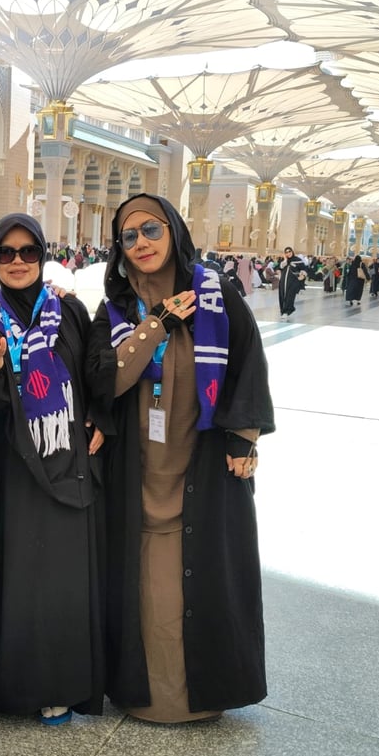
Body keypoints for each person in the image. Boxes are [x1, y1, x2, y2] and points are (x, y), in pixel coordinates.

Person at [86, 193, 275, 725]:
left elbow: (248, 363)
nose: (141, 243)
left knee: (203, 580)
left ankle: (204, 693)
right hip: (138, 474)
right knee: (149, 590)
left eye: (151, 230)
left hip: (203, 468)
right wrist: (157, 324)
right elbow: (105, 380)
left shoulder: (216, 295)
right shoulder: (116, 310)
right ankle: (146, 695)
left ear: (173, 231)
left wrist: (244, 437)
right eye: (128, 236)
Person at [0, 213, 105, 726]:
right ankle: (25, 682)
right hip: (18, 473)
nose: (18, 262)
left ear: (42, 256)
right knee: (24, 580)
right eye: (6, 253)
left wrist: (100, 417)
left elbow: (94, 375)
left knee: (66, 578)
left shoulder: (69, 312)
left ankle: (65, 685)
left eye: (28, 251)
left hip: (69, 465)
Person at [277, 247, 308, 321]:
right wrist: (285, 260)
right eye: (286, 252)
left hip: (293, 282)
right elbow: (279, 268)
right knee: (282, 295)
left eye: (289, 251)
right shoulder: (284, 261)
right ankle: (283, 311)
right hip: (283, 282)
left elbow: (304, 269)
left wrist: (303, 275)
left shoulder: (297, 260)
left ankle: (287, 311)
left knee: (290, 296)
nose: (288, 253)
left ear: (292, 252)